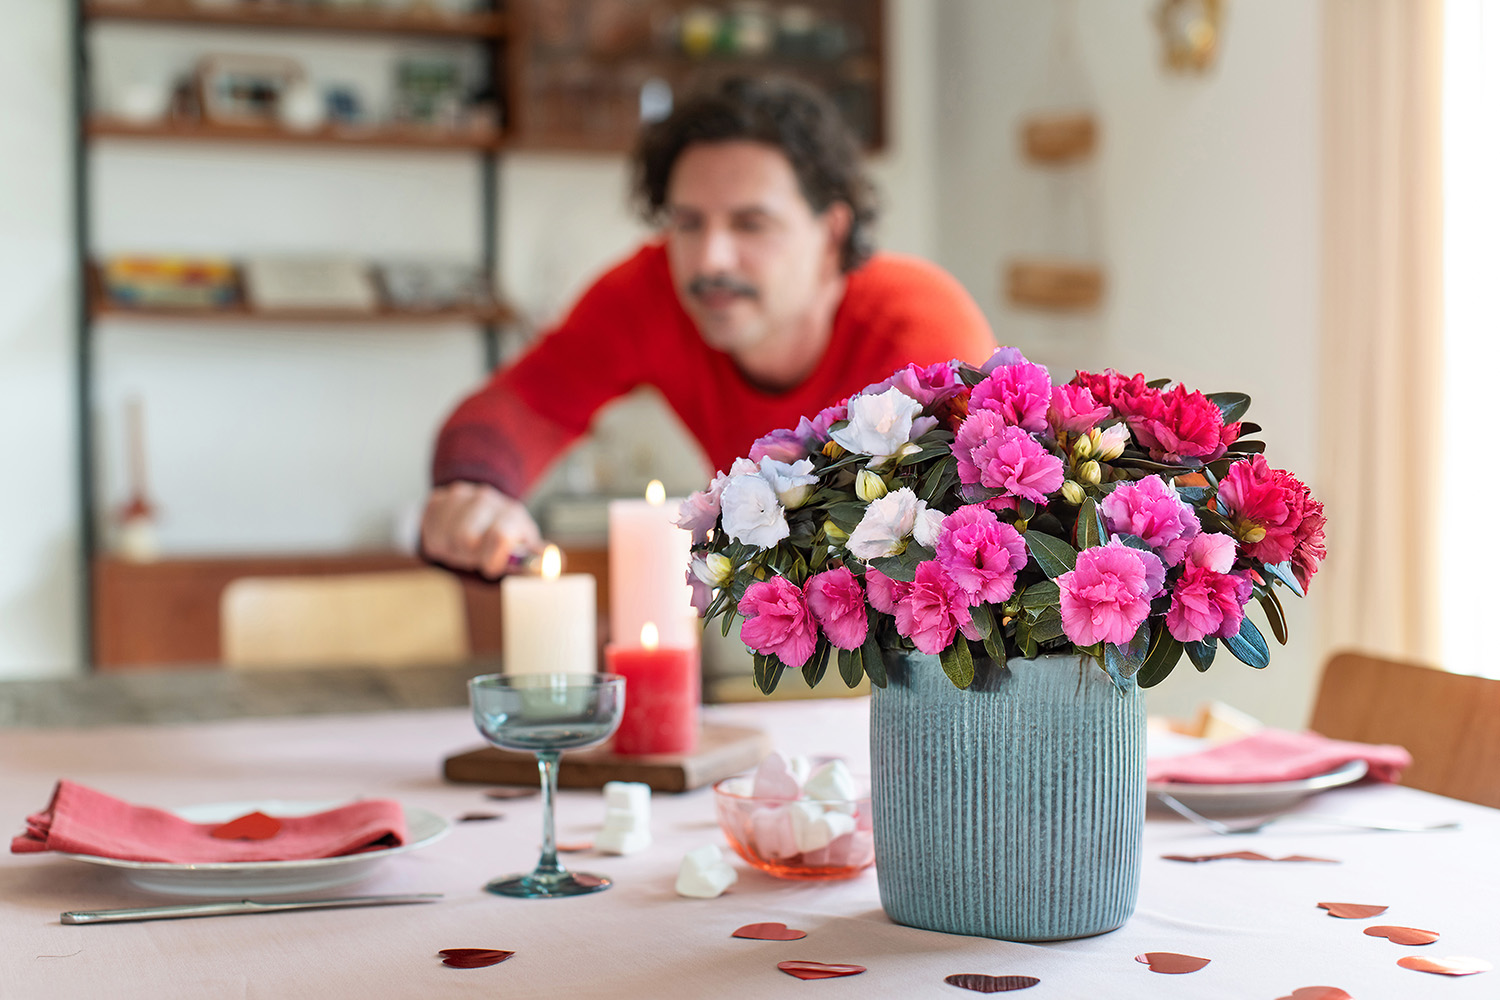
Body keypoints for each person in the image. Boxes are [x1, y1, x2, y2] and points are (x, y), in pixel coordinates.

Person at [421, 77, 995, 579]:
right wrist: (478, 492)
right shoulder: (651, 291)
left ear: (832, 233)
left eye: (752, 224)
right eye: (688, 223)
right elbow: (526, 402)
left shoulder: (920, 328)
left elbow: (970, 540)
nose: (710, 260)